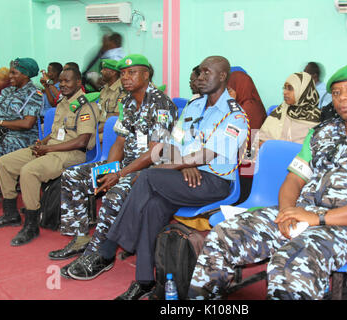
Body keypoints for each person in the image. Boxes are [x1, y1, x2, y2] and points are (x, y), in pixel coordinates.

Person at [188, 62, 347, 300]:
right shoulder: (321, 132)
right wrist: (286, 211)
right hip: (300, 214)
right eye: (336, 93)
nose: (343, 98)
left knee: (291, 263)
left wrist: (318, 218)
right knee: (224, 235)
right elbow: (293, 179)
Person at [66, 56, 249, 301]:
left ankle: (109, 248)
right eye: (200, 72)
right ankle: (144, 281)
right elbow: (174, 142)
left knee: (147, 177)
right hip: (185, 176)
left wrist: (178, 164)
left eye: (207, 73)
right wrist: (181, 166)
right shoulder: (194, 107)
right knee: (153, 206)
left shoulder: (235, 115)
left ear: (223, 76)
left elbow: (208, 155)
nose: (201, 77)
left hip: (215, 183)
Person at [49, 54, 177, 277]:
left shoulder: (162, 104)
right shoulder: (127, 102)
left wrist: (119, 175)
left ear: (146, 75)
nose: (125, 77)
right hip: (124, 166)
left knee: (115, 194)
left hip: (148, 171)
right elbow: (119, 140)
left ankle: (99, 255)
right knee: (72, 176)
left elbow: (156, 152)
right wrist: (108, 171)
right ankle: (80, 238)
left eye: (132, 72)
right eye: (124, 73)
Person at [0, 67, 100, 247]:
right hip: (52, 148)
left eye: (67, 81)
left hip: (72, 153)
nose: (62, 84)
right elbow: (57, 132)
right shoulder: (63, 102)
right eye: (61, 81)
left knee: (29, 171)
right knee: (4, 162)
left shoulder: (86, 105)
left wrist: (48, 149)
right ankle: (11, 214)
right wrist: (42, 143)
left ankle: (31, 225)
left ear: (79, 83)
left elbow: (82, 141)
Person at [0, 58, 43, 211]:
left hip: (22, 137)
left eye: (15, 73)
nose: (10, 76)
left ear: (26, 75)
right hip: (0, 133)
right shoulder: (7, 91)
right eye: (10, 72)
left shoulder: (34, 93)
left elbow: (27, 123)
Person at [256, 72, 321, 147]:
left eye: (290, 88)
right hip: (272, 155)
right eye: (284, 88)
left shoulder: (316, 118)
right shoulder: (280, 111)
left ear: (303, 90)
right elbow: (259, 140)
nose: (284, 92)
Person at [96, 59, 126, 142]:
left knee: (92, 140)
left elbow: (117, 117)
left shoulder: (122, 91)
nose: (101, 71)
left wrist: (96, 132)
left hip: (111, 129)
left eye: (105, 69)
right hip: (100, 127)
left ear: (113, 73)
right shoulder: (104, 89)